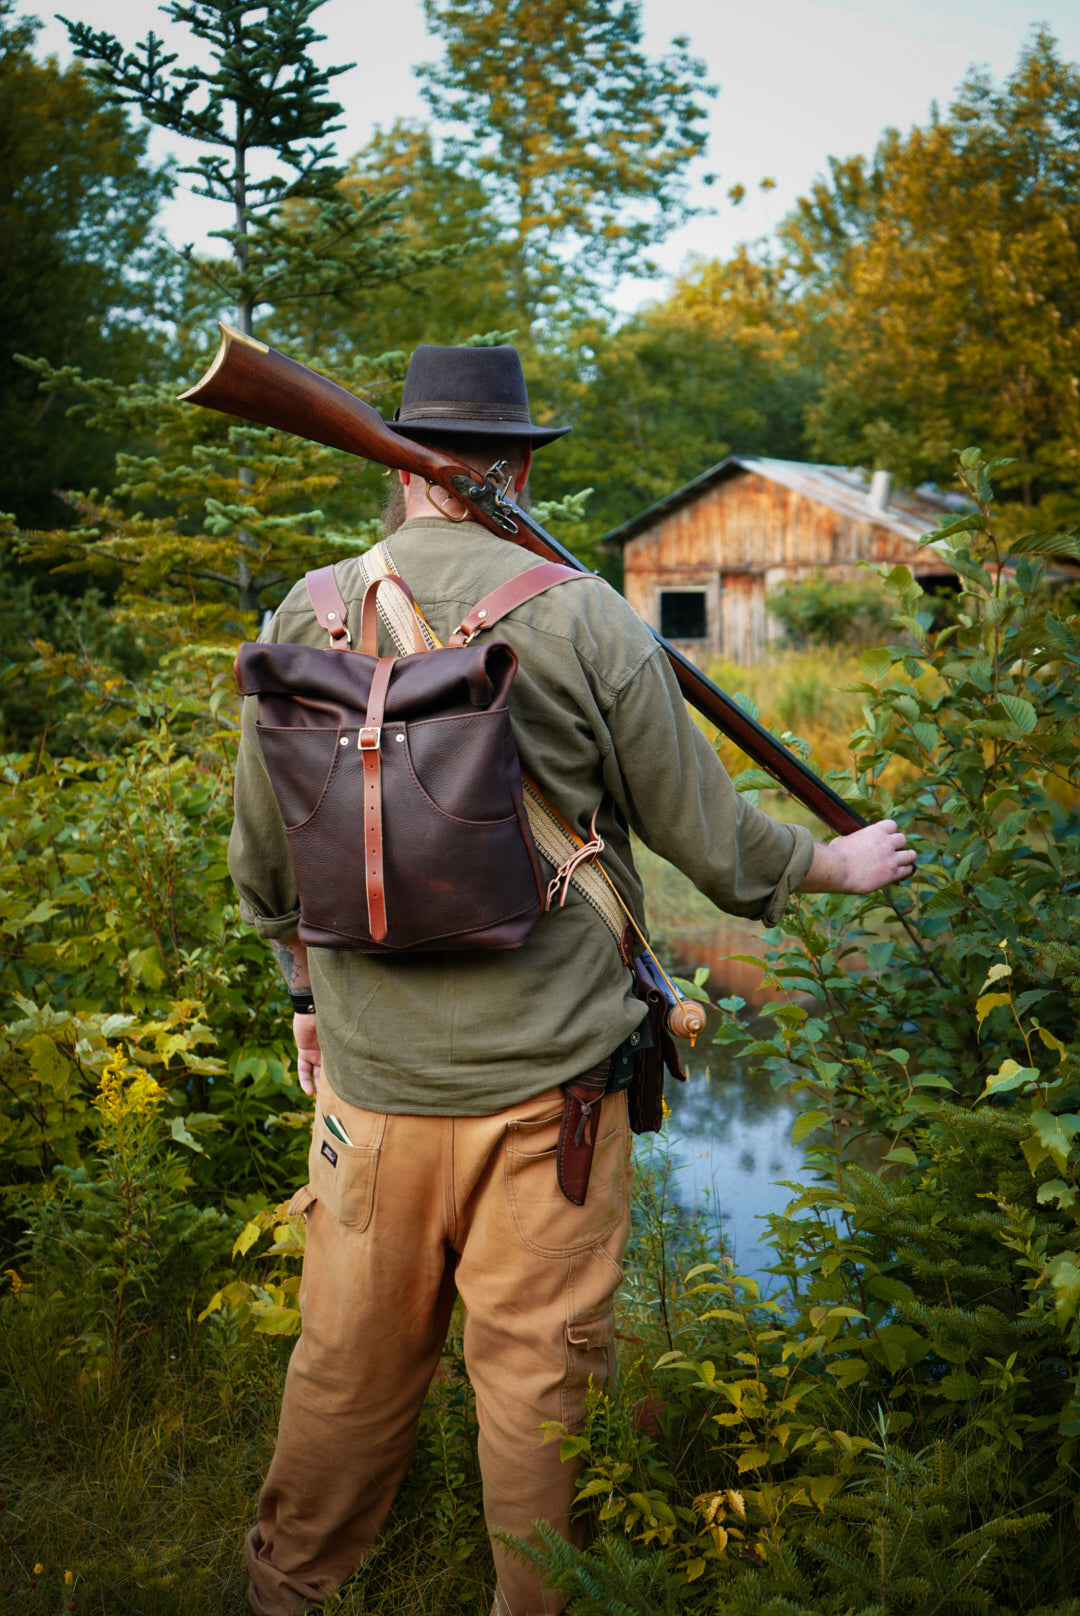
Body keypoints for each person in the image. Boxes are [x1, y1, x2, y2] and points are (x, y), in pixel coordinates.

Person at [228, 344, 916, 1616]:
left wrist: (307, 998)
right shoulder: (589, 617)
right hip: (556, 1107)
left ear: (399, 466)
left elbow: (267, 863)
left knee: (342, 1368)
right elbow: (713, 841)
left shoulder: (304, 615)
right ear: (522, 469)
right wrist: (837, 861)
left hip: (368, 1098)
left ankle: (286, 1592)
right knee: (541, 1387)